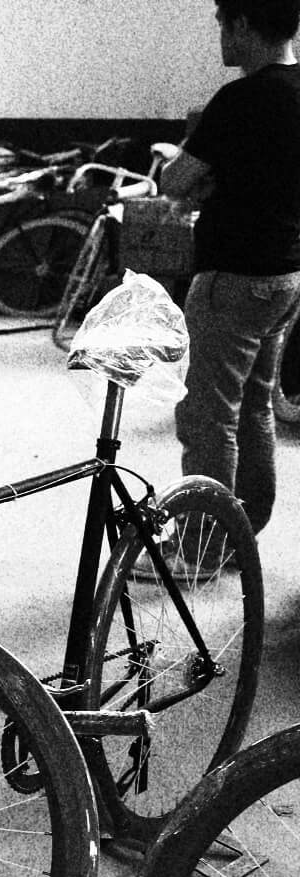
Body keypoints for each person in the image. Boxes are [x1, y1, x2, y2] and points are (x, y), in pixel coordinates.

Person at [159, 0, 300, 565]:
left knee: (208, 416)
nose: (220, 35)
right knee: (254, 407)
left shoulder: (240, 99)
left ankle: (200, 545)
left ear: (243, 24)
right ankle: (243, 534)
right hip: (285, 276)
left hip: (233, 279)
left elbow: (175, 181)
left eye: (222, 22)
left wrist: (198, 174)